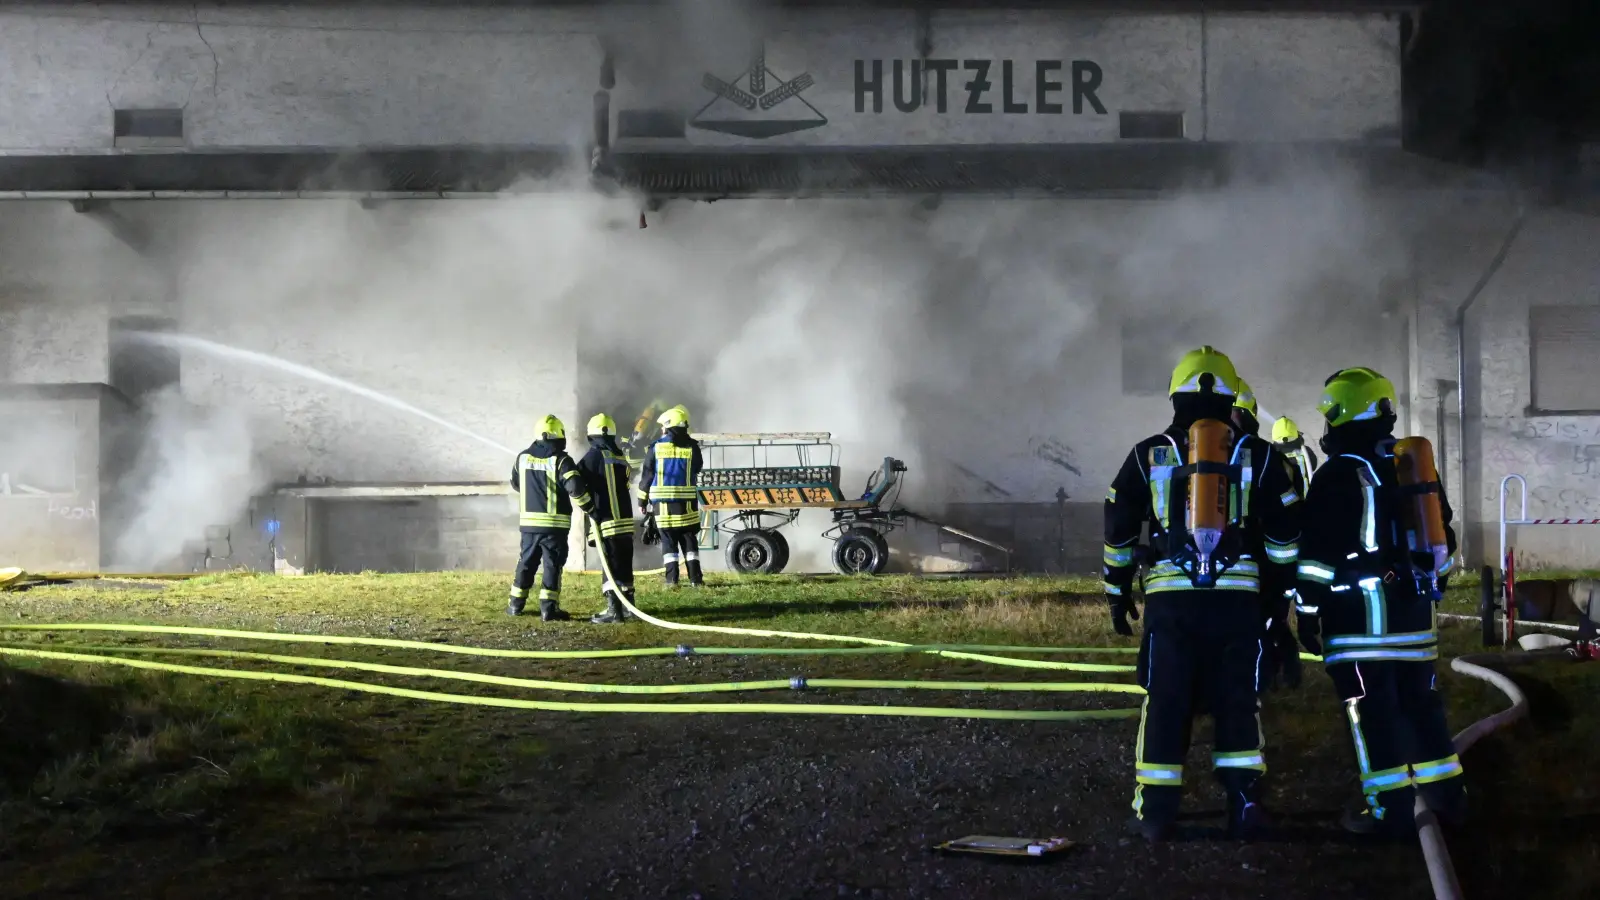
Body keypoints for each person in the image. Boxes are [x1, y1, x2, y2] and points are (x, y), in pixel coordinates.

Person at [1102, 346, 1302, 842]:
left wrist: (1116, 591)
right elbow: (1284, 539)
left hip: (1172, 606)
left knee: (1166, 701)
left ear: (1175, 394)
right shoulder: (1260, 455)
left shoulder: (1147, 454)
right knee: (1238, 702)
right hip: (1239, 607)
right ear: (1232, 395)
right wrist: (1279, 604)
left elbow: (1119, 529)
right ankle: (1245, 804)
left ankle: (1155, 812)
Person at [1295, 367, 1466, 836]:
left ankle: (1387, 811)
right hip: (1415, 624)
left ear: (1344, 414)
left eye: (1331, 417)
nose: (1326, 428)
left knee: (1372, 716)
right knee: (1423, 710)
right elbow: (1441, 536)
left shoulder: (1335, 475)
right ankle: (1449, 800)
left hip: (1358, 627)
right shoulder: (1413, 467)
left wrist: (1306, 610)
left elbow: (1317, 554)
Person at [508, 414, 594, 621]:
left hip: (529, 526)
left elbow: (515, 483)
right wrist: (589, 506)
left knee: (526, 562)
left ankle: (515, 604)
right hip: (554, 527)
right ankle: (549, 608)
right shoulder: (562, 460)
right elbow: (575, 488)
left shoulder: (522, 457)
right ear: (558, 436)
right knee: (552, 565)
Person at [578, 413, 637, 624]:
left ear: (591, 436)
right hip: (625, 522)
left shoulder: (592, 457)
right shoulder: (620, 457)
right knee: (624, 564)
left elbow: (576, 481)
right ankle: (630, 607)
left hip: (606, 521)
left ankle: (614, 611)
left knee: (610, 567)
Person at [636, 405, 704, 587]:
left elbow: (647, 476)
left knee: (669, 543)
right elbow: (697, 468)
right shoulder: (693, 448)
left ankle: (671, 580)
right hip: (688, 505)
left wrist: (642, 500)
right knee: (690, 542)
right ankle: (695, 580)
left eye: (663, 427)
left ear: (669, 426)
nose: (661, 430)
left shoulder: (656, 448)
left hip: (664, 507)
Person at [1271, 416, 1319, 498]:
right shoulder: (1305, 451)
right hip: (1306, 501)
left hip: (1284, 505)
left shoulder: (1271, 455)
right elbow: (1313, 466)